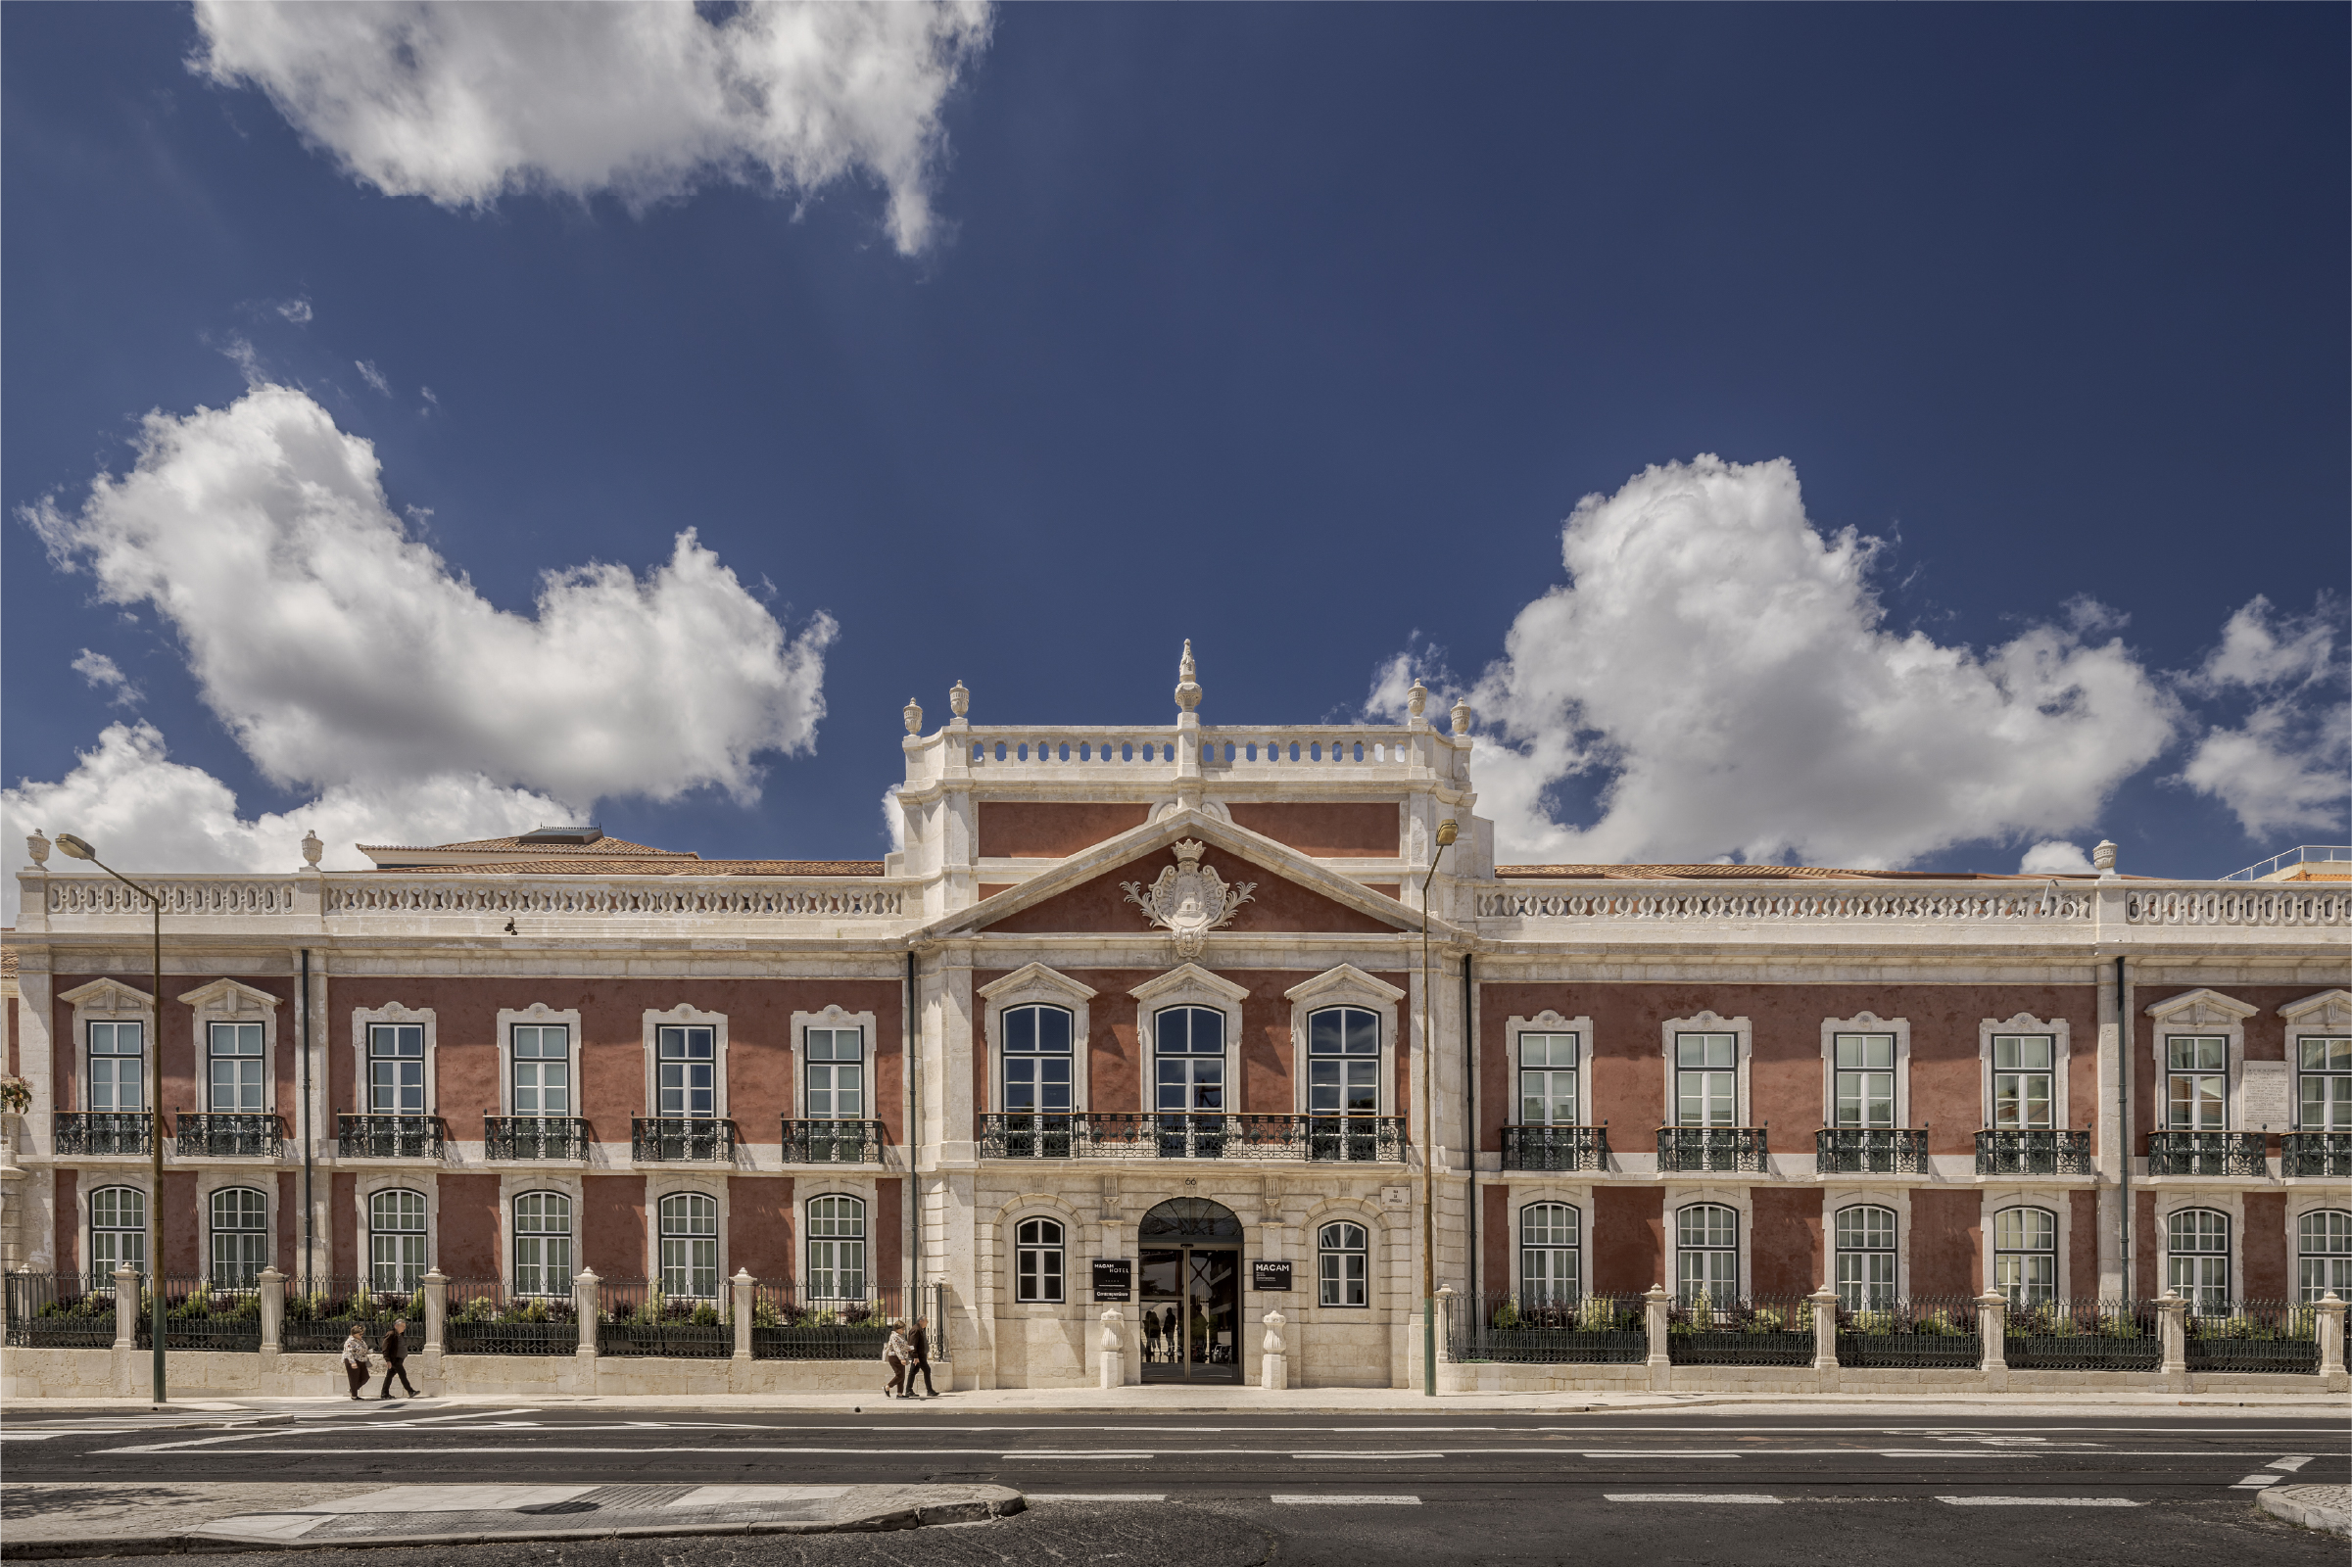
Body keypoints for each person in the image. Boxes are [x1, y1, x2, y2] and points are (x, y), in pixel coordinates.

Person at [377, 1316, 419, 1400]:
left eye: (404, 1326)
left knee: (389, 1376)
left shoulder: (399, 1334)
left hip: (399, 1359)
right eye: (402, 1326)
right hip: (394, 1359)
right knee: (402, 1374)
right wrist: (388, 1360)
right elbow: (385, 1347)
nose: (404, 1328)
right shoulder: (391, 1334)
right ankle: (410, 1391)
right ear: (396, 1326)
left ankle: (384, 1393)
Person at [907, 1315, 937, 1398]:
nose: (927, 1323)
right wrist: (915, 1356)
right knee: (927, 1370)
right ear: (921, 1321)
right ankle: (929, 1390)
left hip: (919, 1355)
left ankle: (908, 1390)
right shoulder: (916, 1330)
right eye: (926, 1321)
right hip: (919, 1356)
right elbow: (912, 1344)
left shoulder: (919, 1329)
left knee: (913, 1371)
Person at [882, 1319, 912, 1399]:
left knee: (902, 1375)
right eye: (902, 1329)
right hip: (895, 1357)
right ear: (897, 1328)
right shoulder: (894, 1336)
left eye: (904, 1329)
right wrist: (902, 1359)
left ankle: (900, 1393)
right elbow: (896, 1348)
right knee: (899, 1375)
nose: (903, 1330)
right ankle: (887, 1387)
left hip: (900, 1357)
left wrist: (911, 1348)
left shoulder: (899, 1336)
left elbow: (903, 1346)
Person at [341, 1325, 372, 1401]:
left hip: (361, 1360)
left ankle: (353, 1389)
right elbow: (349, 1352)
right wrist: (352, 1362)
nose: (361, 1335)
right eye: (360, 1334)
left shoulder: (361, 1341)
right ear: (354, 1334)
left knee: (365, 1377)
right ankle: (354, 1396)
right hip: (352, 1360)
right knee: (354, 1378)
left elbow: (362, 1349)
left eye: (362, 1334)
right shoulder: (350, 1341)